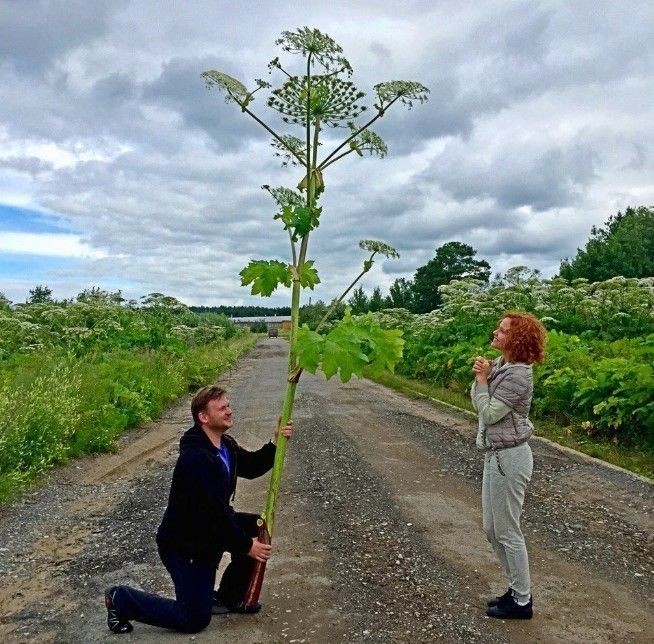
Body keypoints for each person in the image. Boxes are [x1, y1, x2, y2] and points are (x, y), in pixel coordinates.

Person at [104, 384, 293, 634]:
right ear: (203, 417)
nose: (229, 411)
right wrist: (247, 547)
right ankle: (121, 599)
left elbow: (252, 466)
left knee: (255, 526)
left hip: (207, 534)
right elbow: (215, 516)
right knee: (193, 619)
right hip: (185, 545)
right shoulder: (196, 459)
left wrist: (275, 440)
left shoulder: (225, 445)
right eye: (222, 408)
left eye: (228, 405)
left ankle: (228, 597)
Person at [471, 311, 546, 620]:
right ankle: (516, 590)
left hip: (511, 458)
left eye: (502, 331)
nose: (496, 333)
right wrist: (486, 375)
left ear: (516, 340)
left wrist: (481, 381)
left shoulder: (518, 375)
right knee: (492, 529)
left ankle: (522, 601)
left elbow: (488, 414)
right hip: (496, 454)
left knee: (508, 531)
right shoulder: (503, 365)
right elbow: (482, 400)